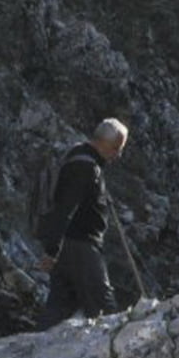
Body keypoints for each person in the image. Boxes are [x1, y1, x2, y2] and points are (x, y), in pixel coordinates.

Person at [37, 119, 129, 328]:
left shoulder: (77, 158)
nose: (117, 154)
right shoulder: (85, 168)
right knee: (105, 309)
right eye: (116, 148)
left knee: (60, 307)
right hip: (81, 247)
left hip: (67, 246)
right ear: (103, 143)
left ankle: (33, 353)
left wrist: (53, 249)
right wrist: (51, 251)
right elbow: (65, 210)